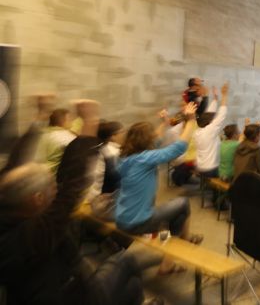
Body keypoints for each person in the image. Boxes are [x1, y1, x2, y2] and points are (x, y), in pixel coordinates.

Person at [0, 101, 153, 305]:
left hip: (61, 284)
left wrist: (39, 118)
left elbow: (12, 167)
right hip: (75, 294)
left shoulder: (8, 210)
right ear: (37, 200)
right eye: (51, 186)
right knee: (128, 262)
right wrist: (90, 123)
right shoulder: (33, 236)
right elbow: (70, 190)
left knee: (133, 285)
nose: (56, 186)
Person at [116, 102, 202, 275]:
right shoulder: (144, 159)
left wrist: (164, 122)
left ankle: (180, 243)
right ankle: (175, 255)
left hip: (122, 218)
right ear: (145, 141)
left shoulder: (126, 157)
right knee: (183, 204)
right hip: (137, 222)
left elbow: (155, 141)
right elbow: (179, 147)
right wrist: (191, 120)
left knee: (172, 219)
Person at [86, 121, 125, 220]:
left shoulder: (113, 151)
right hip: (109, 204)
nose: (124, 134)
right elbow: (96, 180)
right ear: (113, 136)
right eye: (122, 132)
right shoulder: (109, 153)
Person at [194, 83, 229, 178]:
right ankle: (218, 192)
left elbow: (208, 114)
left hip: (200, 167)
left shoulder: (198, 131)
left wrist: (215, 98)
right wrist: (224, 95)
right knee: (229, 168)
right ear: (210, 122)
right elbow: (222, 114)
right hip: (211, 169)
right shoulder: (209, 131)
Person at [35, 108, 76, 173]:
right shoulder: (68, 137)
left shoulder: (40, 135)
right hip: (56, 175)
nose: (72, 121)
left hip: (38, 173)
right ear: (63, 120)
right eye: (70, 119)